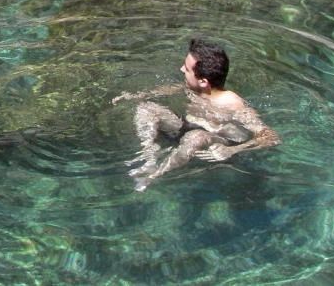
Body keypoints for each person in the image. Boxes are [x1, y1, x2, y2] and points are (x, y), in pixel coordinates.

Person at [112, 38, 279, 191]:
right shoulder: (194, 88)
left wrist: (232, 150)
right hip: (187, 128)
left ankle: (154, 176)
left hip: (214, 142)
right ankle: (149, 155)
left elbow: (270, 137)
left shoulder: (232, 104)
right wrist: (137, 96)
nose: (181, 69)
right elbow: (173, 88)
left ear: (203, 81)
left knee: (196, 137)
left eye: (186, 68)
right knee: (146, 108)